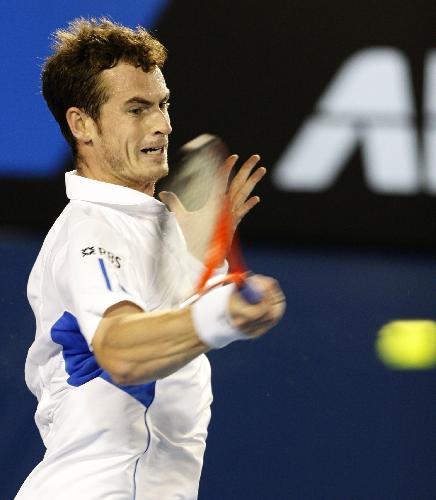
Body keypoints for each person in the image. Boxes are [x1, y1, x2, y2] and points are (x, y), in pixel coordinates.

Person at [15, 18, 286, 500]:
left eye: (162, 105)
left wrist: (191, 265)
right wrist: (219, 314)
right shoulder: (92, 226)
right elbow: (119, 352)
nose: (162, 124)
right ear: (82, 125)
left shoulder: (149, 226)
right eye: (136, 109)